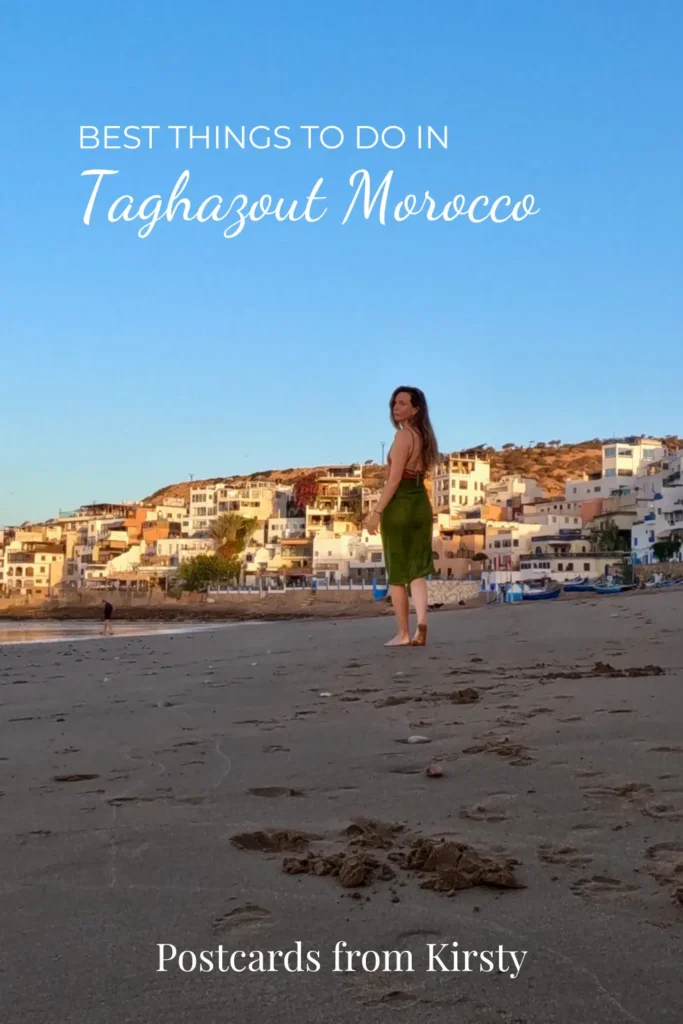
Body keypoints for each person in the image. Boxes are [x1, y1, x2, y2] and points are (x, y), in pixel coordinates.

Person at [364, 386, 439, 647]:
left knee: (397, 571)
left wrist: (376, 512)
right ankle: (422, 626)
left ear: (415, 408)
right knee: (417, 569)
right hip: (421, 503)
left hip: (401, 504)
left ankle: (403, 634)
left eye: (403, 403)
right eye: (394, 403)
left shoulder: (403, 437)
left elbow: (394, 479)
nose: (396, 407)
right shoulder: (425, 438)